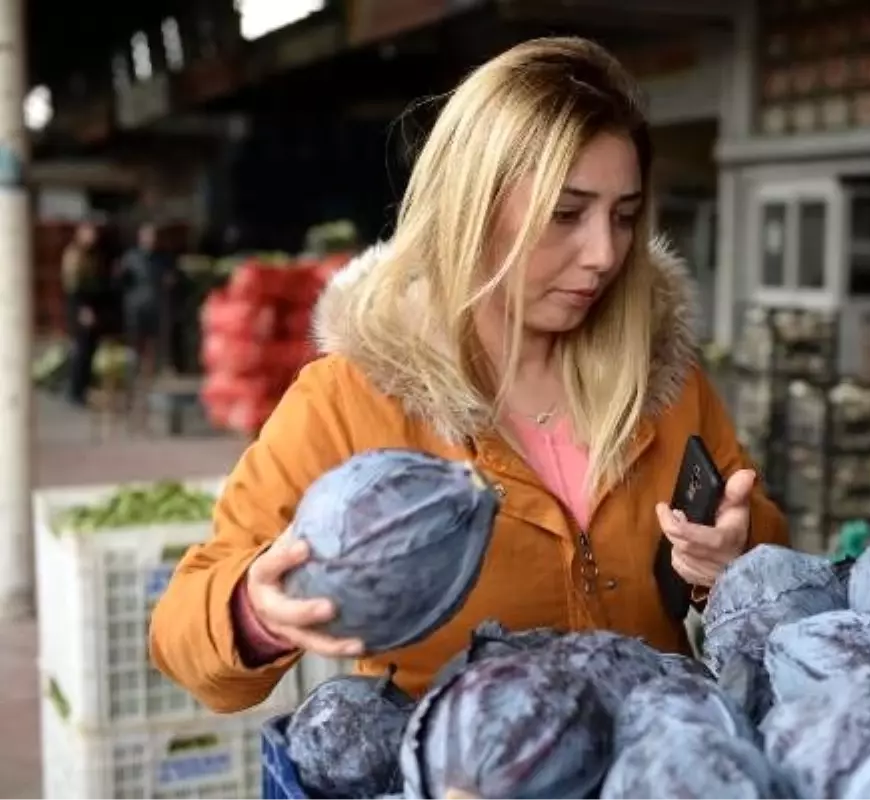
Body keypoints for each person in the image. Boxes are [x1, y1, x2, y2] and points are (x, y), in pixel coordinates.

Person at [149, 36, 789, 712]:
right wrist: (255, 611)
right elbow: (183, 637)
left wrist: (733, 557)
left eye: (624, 217)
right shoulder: (349, 400)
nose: (604, 253)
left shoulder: (665, 380)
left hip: (657, 764)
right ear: (472, 206)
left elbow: (771, 562)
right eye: (565, 215)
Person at [118, 222, 183, 375]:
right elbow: (121, 282)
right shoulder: (131, 257)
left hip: (157, 304)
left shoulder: (164, 258)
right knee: (135, 339)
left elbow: (174, 278)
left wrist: (172, 281)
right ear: (140, 238)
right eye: (147, 236)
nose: (150, 240)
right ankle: (134, 370)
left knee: (159, 339)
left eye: (153, 237)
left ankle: (156, 369)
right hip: (136, 305)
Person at [61, 221, 106, 406]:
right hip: (80, 306)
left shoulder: (93, 254)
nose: (92, 237)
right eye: (89, 233)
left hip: (92, 304)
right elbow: (73, 286)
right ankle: (75, 391)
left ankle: (84, 389)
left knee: (90, 349)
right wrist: (82, 310)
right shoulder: (75, 255)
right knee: (81, 349)